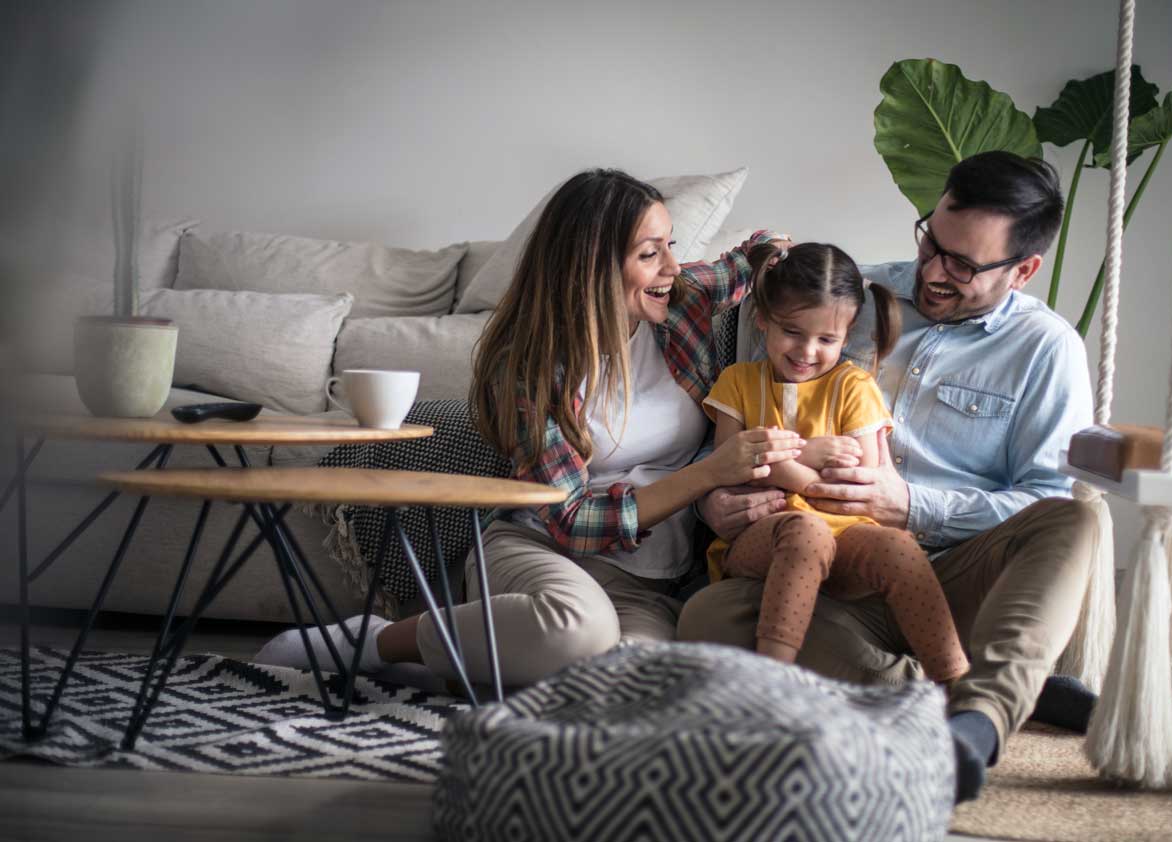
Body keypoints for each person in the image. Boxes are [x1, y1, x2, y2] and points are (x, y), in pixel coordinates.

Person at [255, 168, 797, 689]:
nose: (672, 267)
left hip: (648, 581)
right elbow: (570, 518)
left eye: (671, 246)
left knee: (633, 686)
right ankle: (373, 644)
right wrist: (707, 475)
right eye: (650, 254)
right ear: (593, 266)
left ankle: (461, 666)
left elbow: (748, 259)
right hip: (544, 552)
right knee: (577, 630)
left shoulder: (679, 303)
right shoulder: (533, 365)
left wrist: (776, 252)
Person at [678, 151, 1098, 803]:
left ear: (1023, 269)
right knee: (709, 616)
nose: (934, 271)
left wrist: (912, 505)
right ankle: (982, 687)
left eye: (962, 264)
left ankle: (975, 730)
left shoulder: (1048, 350)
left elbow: (1040, 500)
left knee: (1076, 520)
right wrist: (717, 505)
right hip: (825, 575)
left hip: (952, 573)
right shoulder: (843, 300)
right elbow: (741, 435)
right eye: (933, 239)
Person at [704, 240, 968, 685]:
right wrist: (807, 460)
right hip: (762, 538)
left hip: (845, 536)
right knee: (804, 531)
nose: (807, 351)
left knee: (899, 548)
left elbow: (858, 482)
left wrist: (774, 458)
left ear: (846, 337)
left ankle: (958, 684)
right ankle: (771, 683)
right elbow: (730, 464)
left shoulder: (853, 385)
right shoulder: (738, 382)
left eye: (827, 339)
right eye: (792, 331)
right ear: (762, 319)